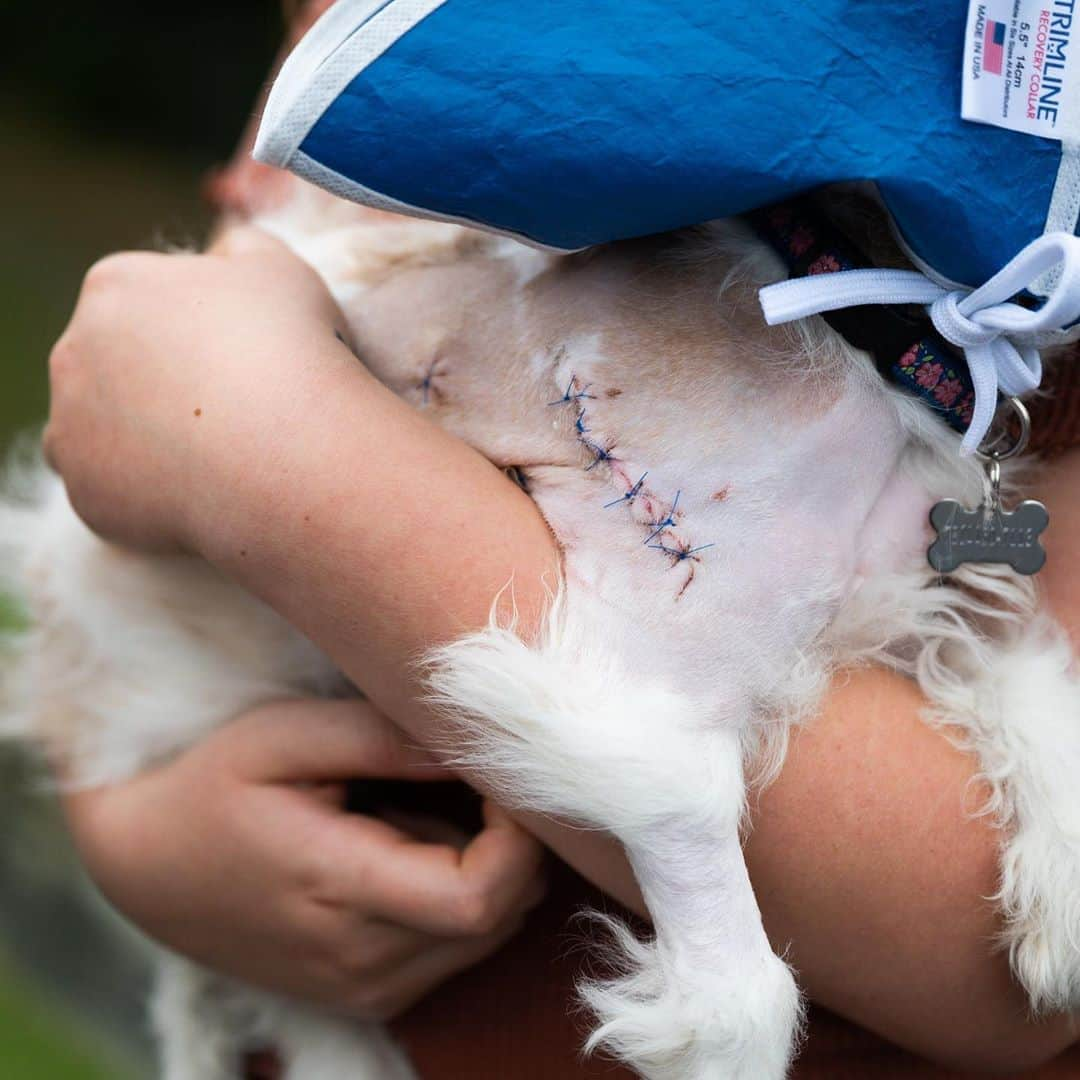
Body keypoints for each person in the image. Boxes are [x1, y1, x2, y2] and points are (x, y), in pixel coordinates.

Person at [42, 5, 1080, 1076]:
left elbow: (1003, 977)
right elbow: (253, 250)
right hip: (341, 986)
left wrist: (266, 455)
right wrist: (136, 830)